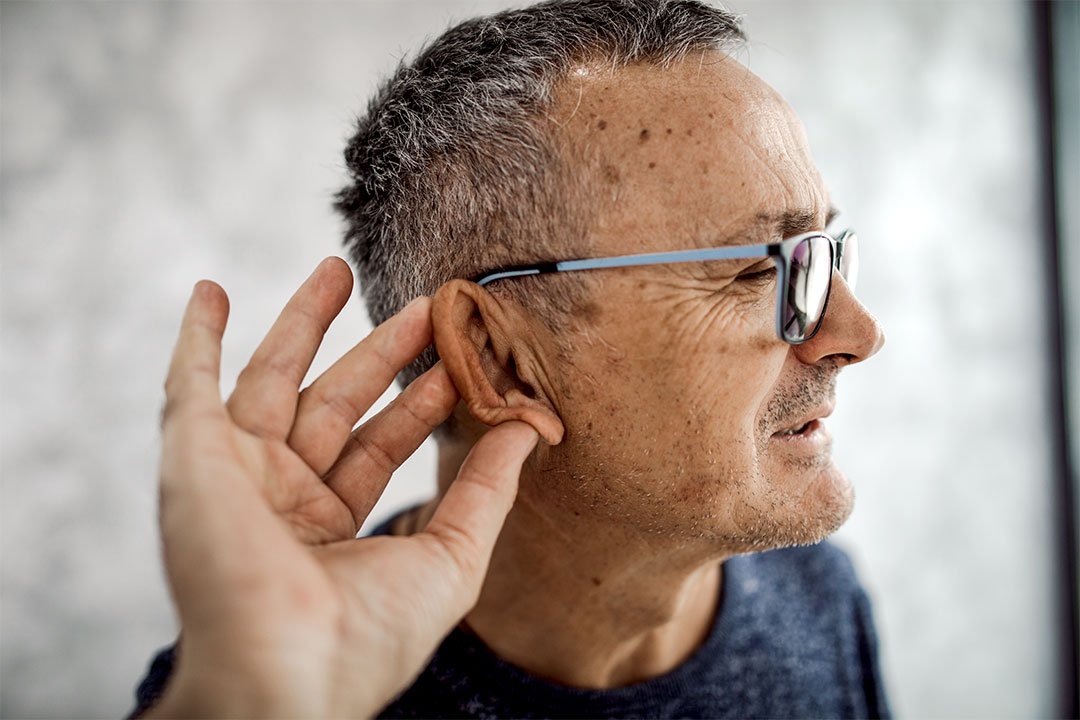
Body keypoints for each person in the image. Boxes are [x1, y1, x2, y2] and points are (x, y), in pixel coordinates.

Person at [131, 0, 892, 717]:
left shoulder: (818, 595)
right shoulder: (255, 684)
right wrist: (257, 692)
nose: (858, 333)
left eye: (823, 252)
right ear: (500, 358)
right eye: (762, 269)